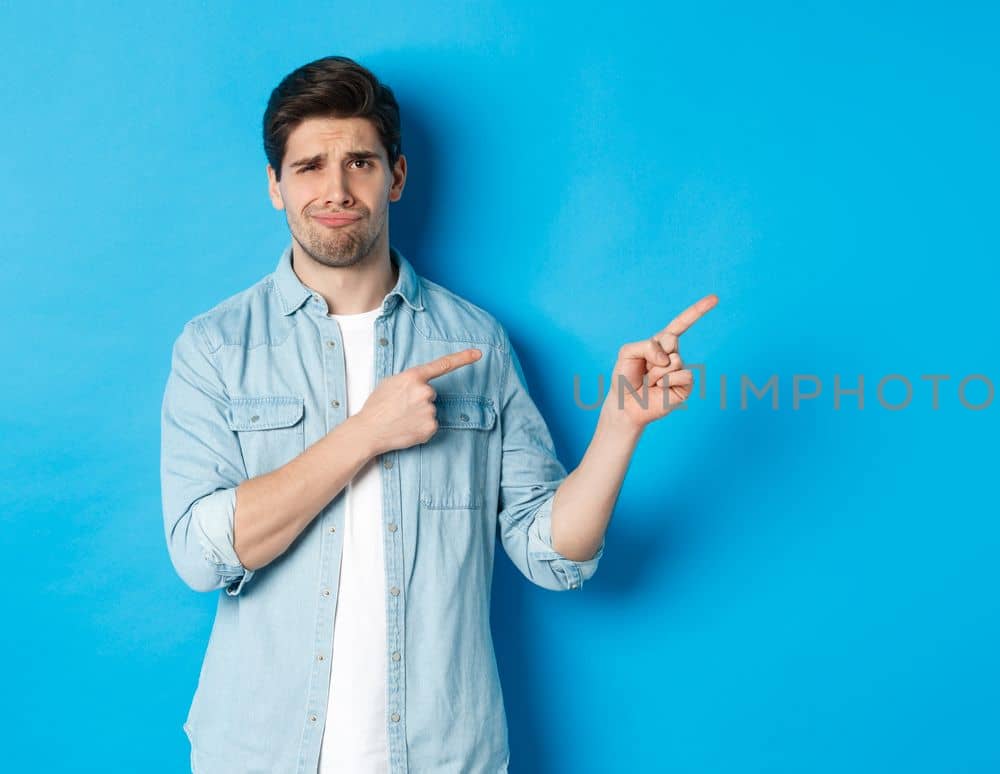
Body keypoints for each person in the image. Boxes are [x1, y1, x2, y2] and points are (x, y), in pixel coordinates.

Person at [159, 55, 716, 773]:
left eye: (359, 162)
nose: (336, 189)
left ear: (395, 176)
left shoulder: (475, 342)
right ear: (275, 186)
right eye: (308, 167)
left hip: (443, 756)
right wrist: (367, 432)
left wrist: (620, 425)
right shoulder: (215, 346)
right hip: (258, 753)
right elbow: (201, 555)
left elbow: (552, 556)